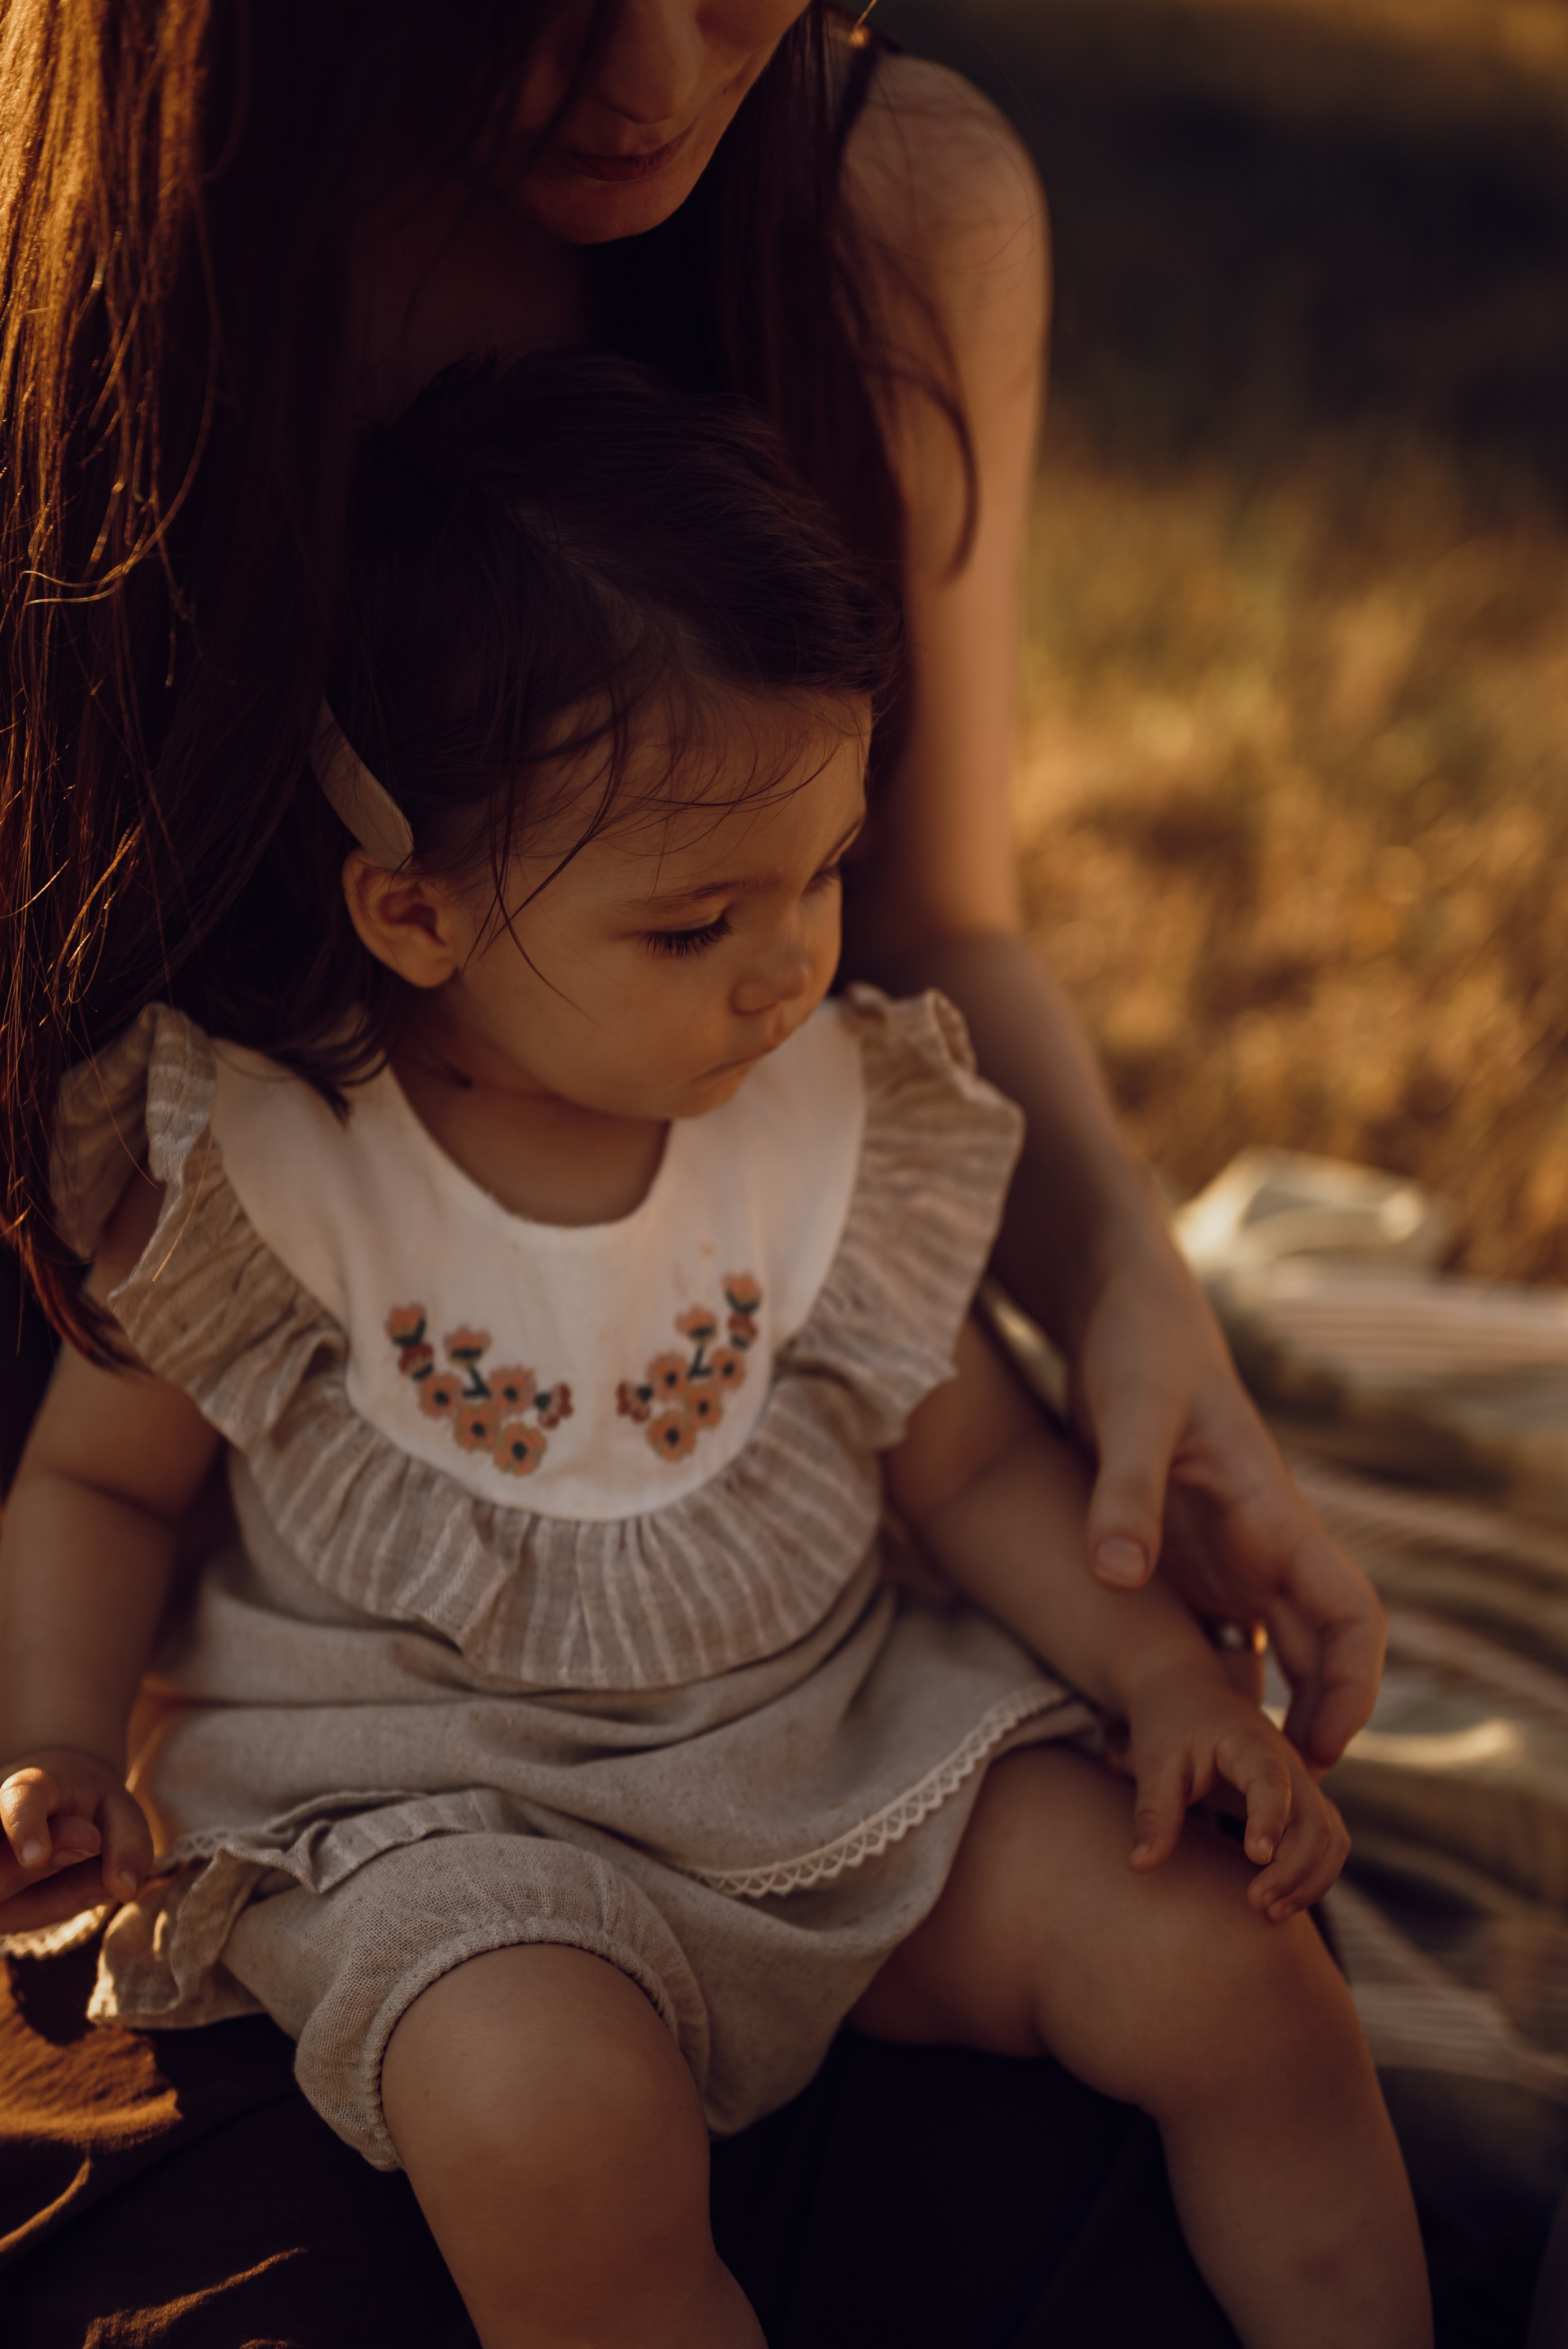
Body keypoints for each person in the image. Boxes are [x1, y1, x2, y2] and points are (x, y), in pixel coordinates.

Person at [0, 355, 1427, 2349]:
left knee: (1235, 1967)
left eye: (826, 872)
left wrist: (1168, 1676)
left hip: (830, 1744)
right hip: (434, 1818)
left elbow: (976, 1467)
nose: (789, 965)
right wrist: (62, 1742)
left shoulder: (824, 1121)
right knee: (546, 2126)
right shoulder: (272, 1159)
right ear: (412, 911)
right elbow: (99, 1480)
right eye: (694, 927)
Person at [0, 0, 1385, 1766]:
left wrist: (1131, 1290)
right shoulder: (247, 1178)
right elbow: (98, 1484)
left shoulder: (897, 211)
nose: (649, 82)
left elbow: (936, 933)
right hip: (187, 1520)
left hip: (779, 1635)